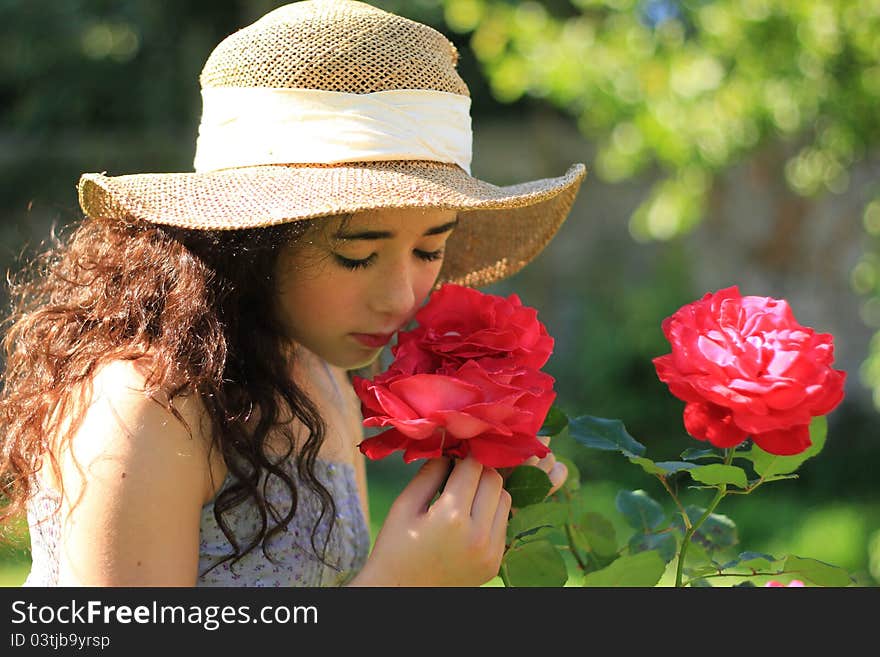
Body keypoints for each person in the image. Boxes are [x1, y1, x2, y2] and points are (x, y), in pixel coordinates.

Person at [0, 0, 586, 587]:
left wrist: (466, 507)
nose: (403, 296)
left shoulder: (317, 370)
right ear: (251, 241)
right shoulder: (147, 407)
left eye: (430, 249)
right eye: (356, 254)